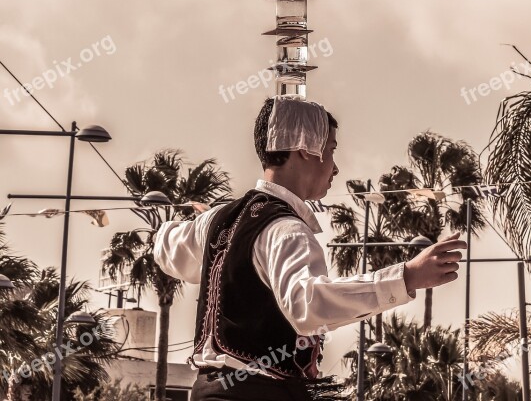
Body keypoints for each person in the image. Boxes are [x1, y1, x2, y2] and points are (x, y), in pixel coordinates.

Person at [154, 96, 467, 401]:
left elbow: (167, 250)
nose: (335, 167)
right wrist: (407, 277)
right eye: (330, 150)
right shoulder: (285, 230)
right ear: (305, 149)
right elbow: (308, 304)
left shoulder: (216, 221)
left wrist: (206, 220)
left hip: (207, 391)